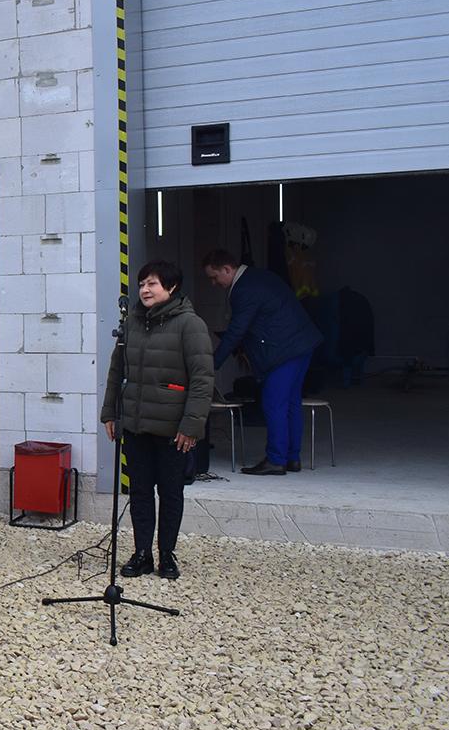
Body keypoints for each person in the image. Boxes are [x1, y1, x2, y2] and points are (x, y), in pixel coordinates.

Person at [99, 261, 213, 580]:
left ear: (171, 287)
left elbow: (203, 379)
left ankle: (167, 555)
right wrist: (110, 412)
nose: (145, 290)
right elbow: (116, 370)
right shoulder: (132, 323)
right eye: (142, 284)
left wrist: (191, 426)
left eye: (153, 284)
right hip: (136, 426)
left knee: (171, 492)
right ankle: (142, 553)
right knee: (139, 492)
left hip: (173, 430)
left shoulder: (190, 325)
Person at [203, 249, 324, 476]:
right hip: (302, 344)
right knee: (291, 403)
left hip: (284, 350)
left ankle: (276, 460)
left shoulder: (244, 289)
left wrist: (212, 364)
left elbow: (237, 331)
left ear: (227, 269)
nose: (213, 283)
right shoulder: (260, 276)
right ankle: (292, 457)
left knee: (273, 403)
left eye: (214, 276)